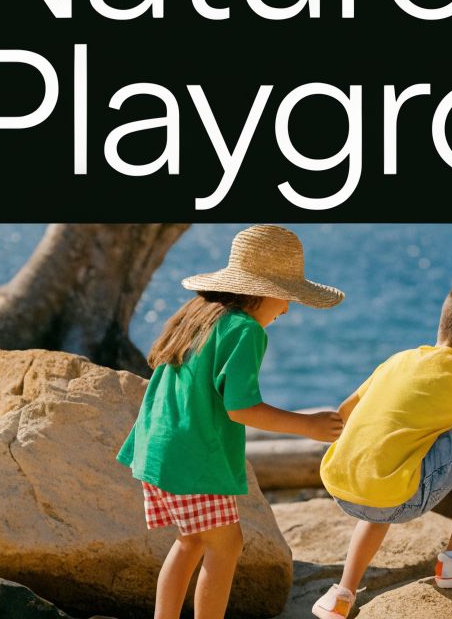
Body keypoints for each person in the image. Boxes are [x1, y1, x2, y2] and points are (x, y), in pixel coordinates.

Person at [117, 224, 347, 619]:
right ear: (263, 291)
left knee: (191, 541)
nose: (288, 308)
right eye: (286, 296)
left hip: (158, 450)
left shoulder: (199, 313)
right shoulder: (245, 331)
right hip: (194, 459)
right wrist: (307, 426)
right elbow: (241, 408)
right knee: (227, 545)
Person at [313, 276, 452, 619]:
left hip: (341, 486)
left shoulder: (401, 360)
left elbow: (344, 411)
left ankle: (342, 593)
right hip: (398, 497)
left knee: (387, 466)